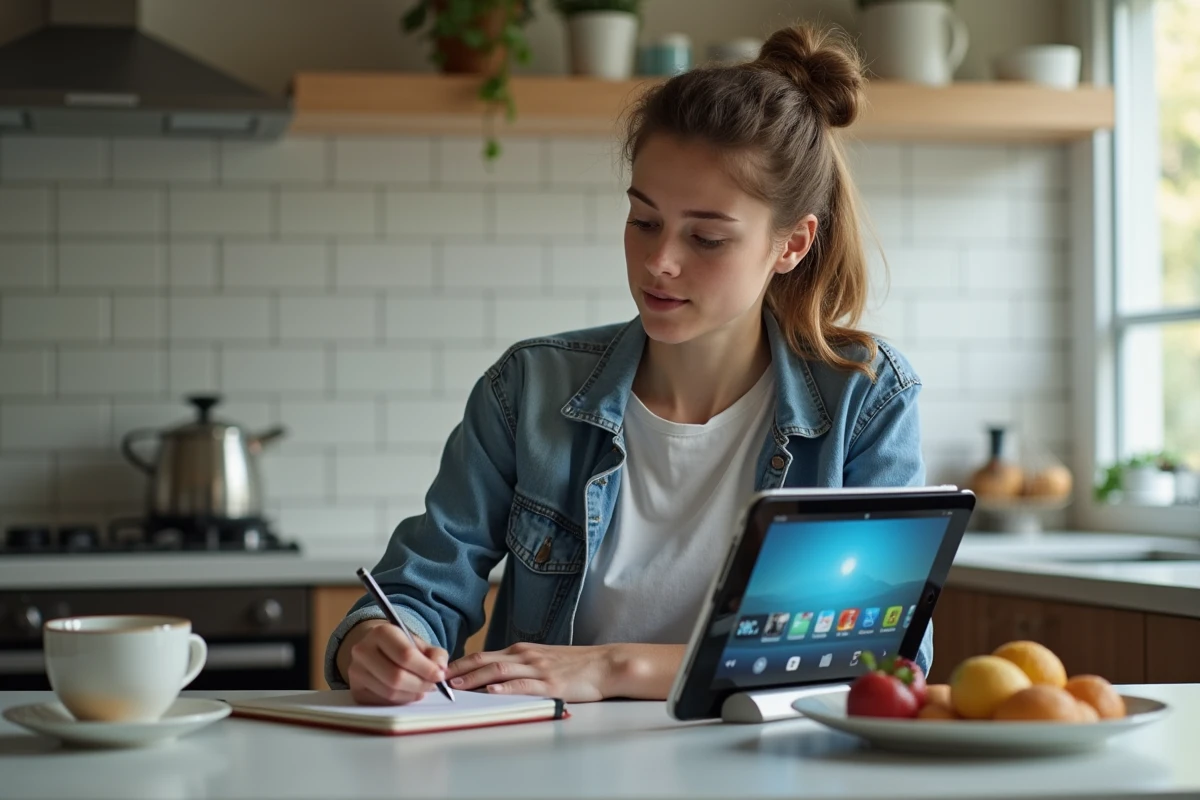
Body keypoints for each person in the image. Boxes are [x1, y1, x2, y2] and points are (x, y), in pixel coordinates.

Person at [326, 21, 930, 706]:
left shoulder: (865, 397)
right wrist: (374, 641)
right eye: (644, 221)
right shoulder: (527, 390)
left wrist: (614, 668)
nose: (659, 261)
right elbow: (418, 591)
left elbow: (881, 653)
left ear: (792, 244)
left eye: (705, 237)